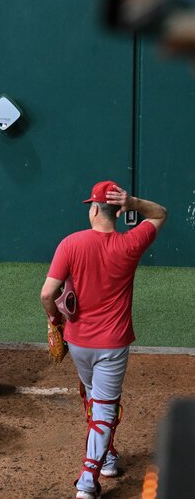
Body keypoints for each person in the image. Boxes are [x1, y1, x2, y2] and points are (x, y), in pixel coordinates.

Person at [41, 181, 167, 499]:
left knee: (95, 401)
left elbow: (47, 294)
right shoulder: (131, 243)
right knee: (105, 409)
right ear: (116, 210)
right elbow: (161, 214)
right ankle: (87, 482)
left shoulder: (70, 244)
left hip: (79, 343)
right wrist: (134, 202)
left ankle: (108, 457)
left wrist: (55, 320)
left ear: (94, 209)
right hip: (113, 345)